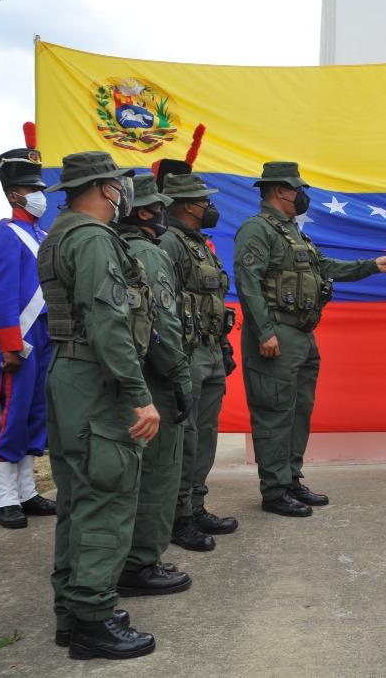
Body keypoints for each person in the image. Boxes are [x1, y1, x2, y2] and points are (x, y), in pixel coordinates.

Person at [40, 151, 158, 659]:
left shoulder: (62, 233)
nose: (124, 192)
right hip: (96, 381)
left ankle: (74, 611)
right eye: (119, 183)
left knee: (77, 495)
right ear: (104, 188)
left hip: (71, 374)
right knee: (105, 496)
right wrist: (139, 395)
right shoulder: (91, 239)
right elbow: (109, 323)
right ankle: (92, 618)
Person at [235, 161, 386, 515]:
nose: (302, 195)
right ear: (281, 190)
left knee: (298, 412)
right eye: (298, 188)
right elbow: (248, 284)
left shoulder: (293, 233)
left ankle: (291, 479)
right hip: (276, 333)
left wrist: (372, 265)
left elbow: (325, 268)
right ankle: (275, 491)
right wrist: (264, 331)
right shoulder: (256, 230)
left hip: (302, 335)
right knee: (274, 412)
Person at [114, 174, 194, 597]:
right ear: (145, 211)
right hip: (155, 378)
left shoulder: (109, 245)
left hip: (120, 376)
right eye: (159, 205)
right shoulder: (150, 252)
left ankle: (122, 557)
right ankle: (141, 562)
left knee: (124, 473)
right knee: (159, 472)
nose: (165, 212)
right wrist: (181, 377)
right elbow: (164, 321)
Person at [158, 168, 237, 550]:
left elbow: (211, 301)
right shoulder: (169, 243)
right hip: (186, 354)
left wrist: (223, 346)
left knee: (205, 435)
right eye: (204, 200)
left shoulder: (199, 244)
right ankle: (178, 515)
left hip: (209, 350)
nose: (209, 206)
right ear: (188, 205)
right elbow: (163, 305)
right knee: (184, 439)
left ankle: (196, 503)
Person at [0, 121, 56, 528]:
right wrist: (10, 343)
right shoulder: (6, 235)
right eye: (33, 191)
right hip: (22, 338)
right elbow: (2, 294)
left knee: (36, 412)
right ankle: (4, 497)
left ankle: (27, 490)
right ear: (15, 193)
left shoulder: (42, 233)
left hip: (46, 333)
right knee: (13, 413)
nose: (39, 197)